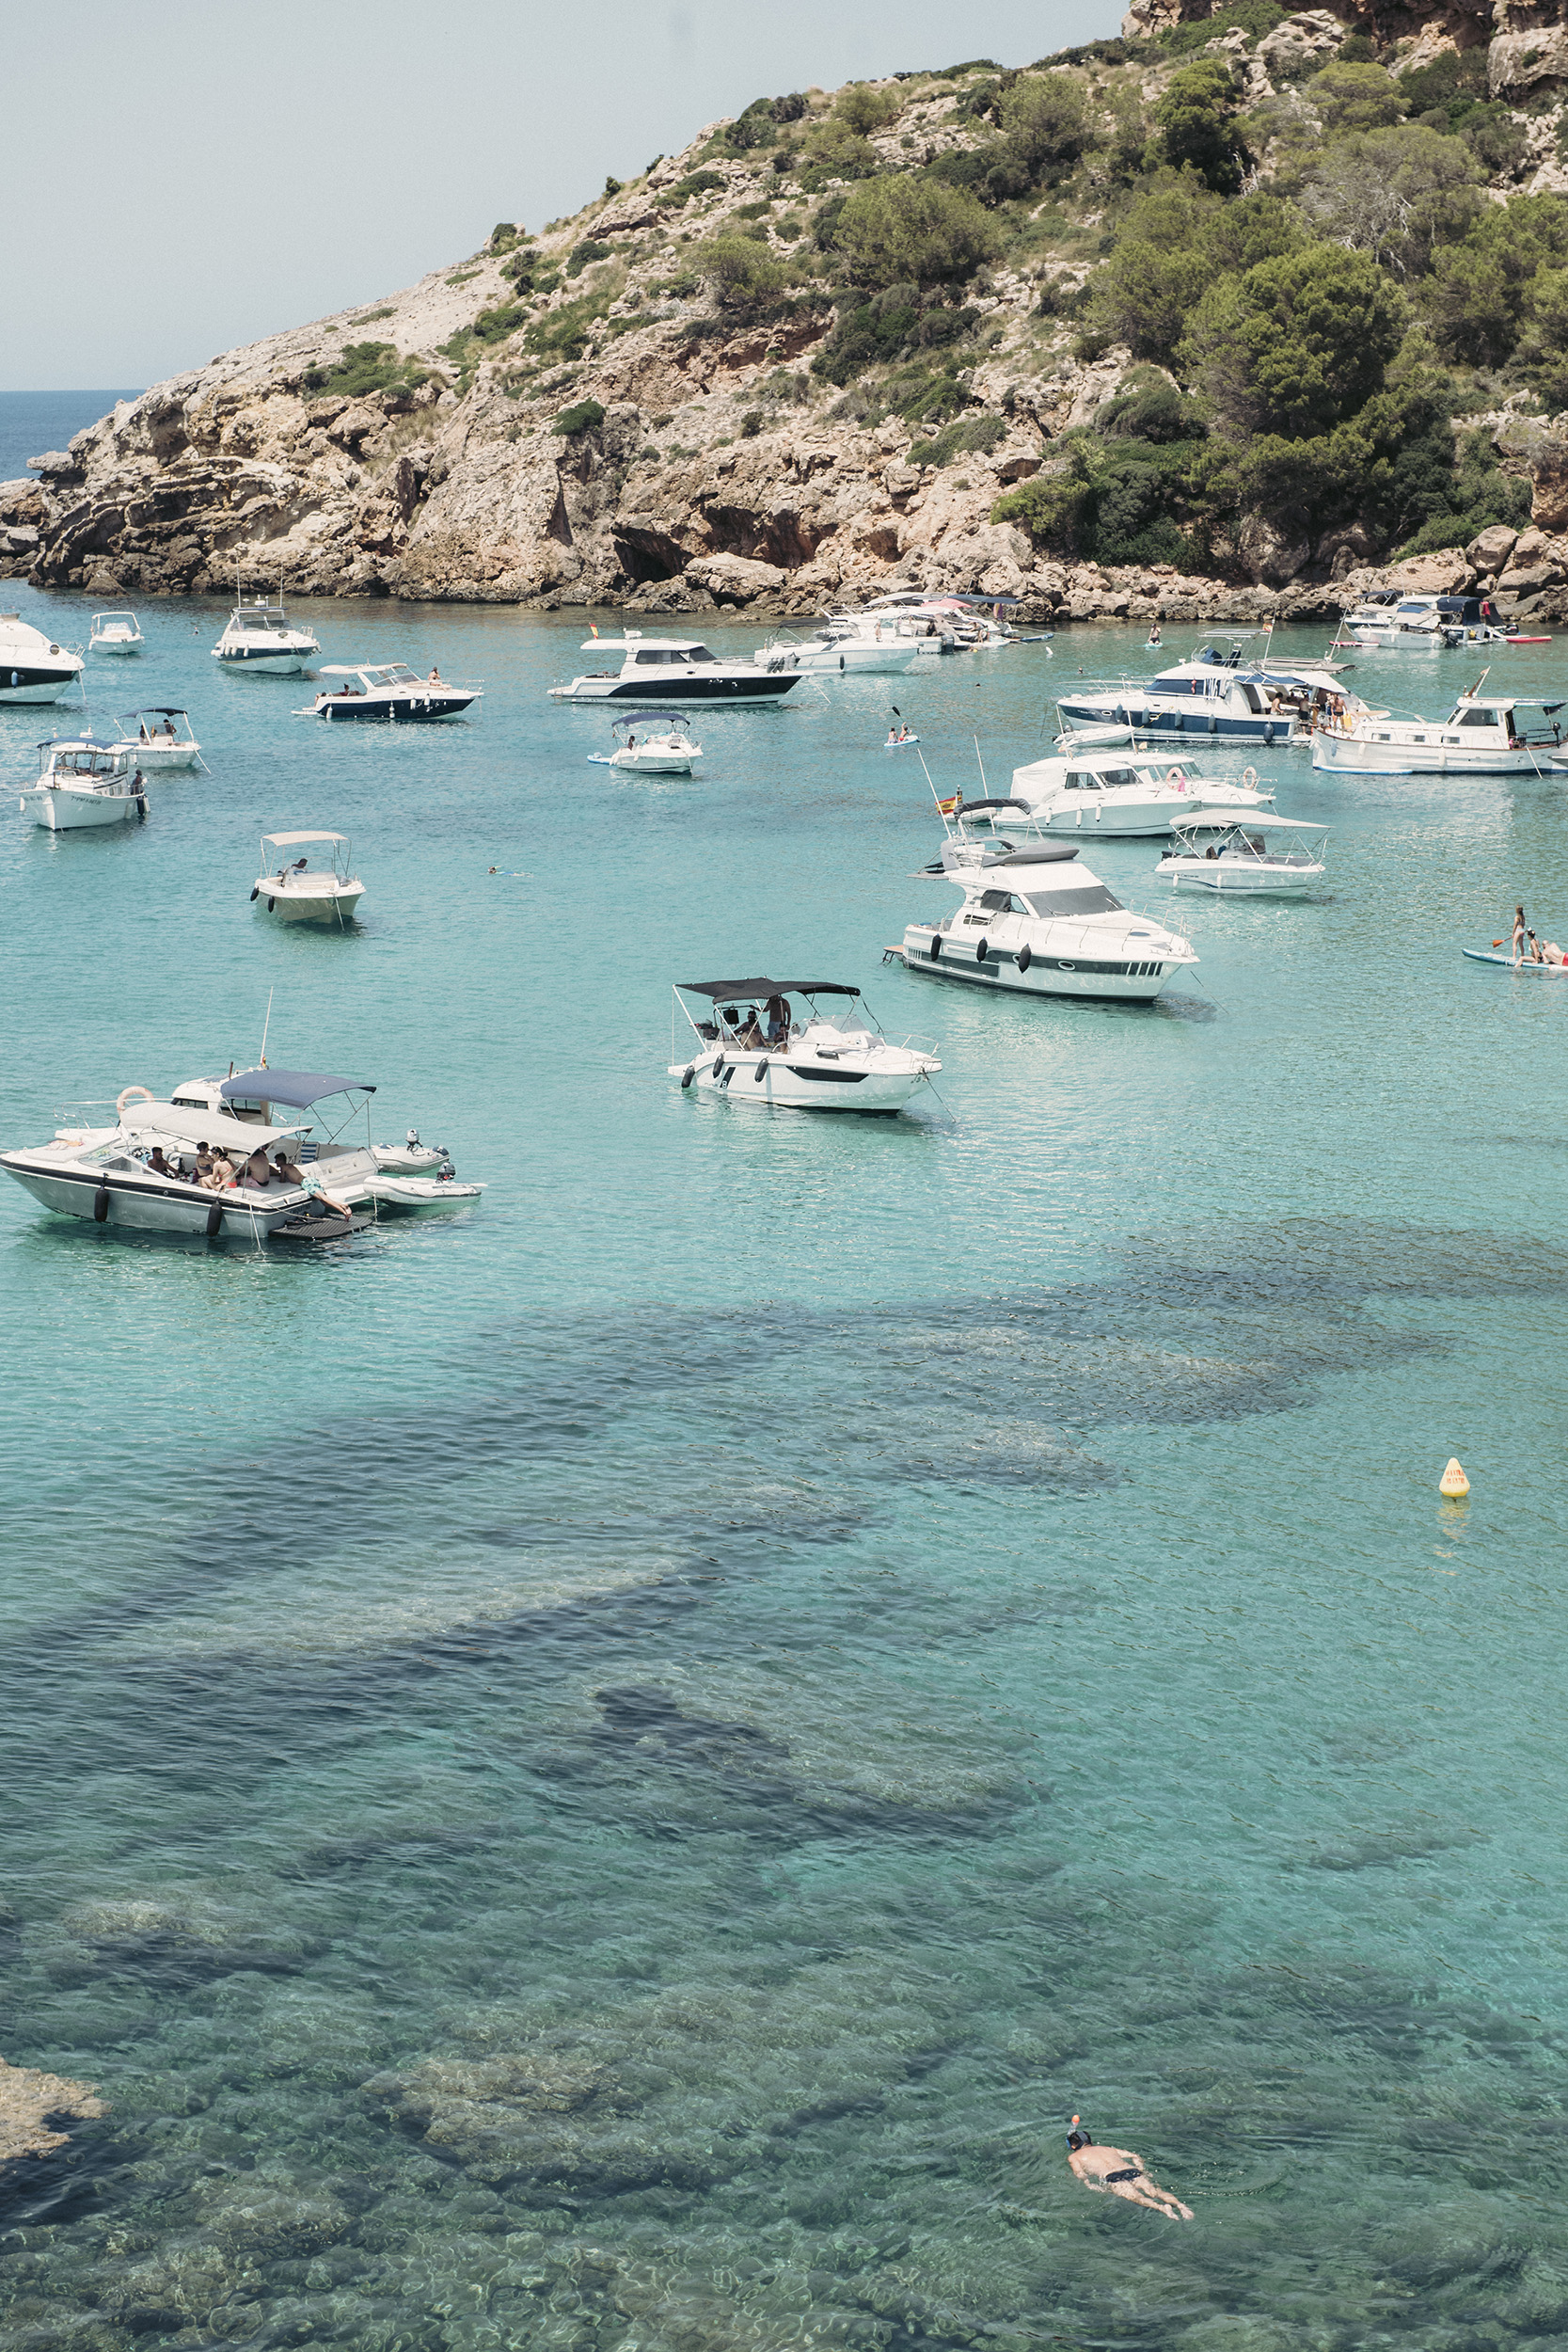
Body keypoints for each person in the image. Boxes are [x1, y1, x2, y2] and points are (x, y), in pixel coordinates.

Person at [1066, 2119, 1192, 2220]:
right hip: (1132, 2171)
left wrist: (1089, 2185)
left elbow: (1080, 2174)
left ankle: (1162, 2208)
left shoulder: (1074, 2157)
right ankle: (1181, 2206)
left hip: (1112, 2177)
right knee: (1155, 2192)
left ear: (1072, 2146)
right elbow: (1135, 2156)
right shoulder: (1107, 2148)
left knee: (1137, 2198)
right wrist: (1141, 2169)